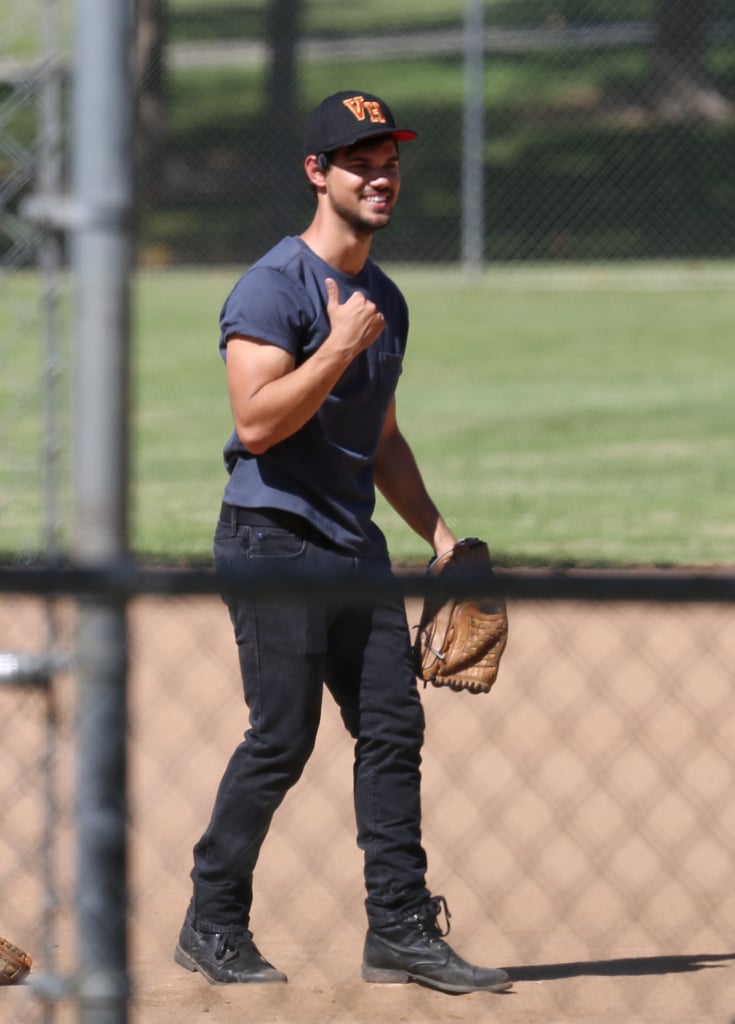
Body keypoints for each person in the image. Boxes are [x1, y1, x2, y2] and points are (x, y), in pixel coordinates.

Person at [174, 90, 511, 995]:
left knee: (393, 729)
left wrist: (437, 537)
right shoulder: (272, 287)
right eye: (360, 160)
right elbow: (254, 425)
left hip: (351, 541)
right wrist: (333, 348)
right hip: (271, 538)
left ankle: (398, 926)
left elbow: (382, 438)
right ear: (317, 173)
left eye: (390, 159)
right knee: (282, 736)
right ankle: (212, 919)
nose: (381, 175)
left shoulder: (385, 300)